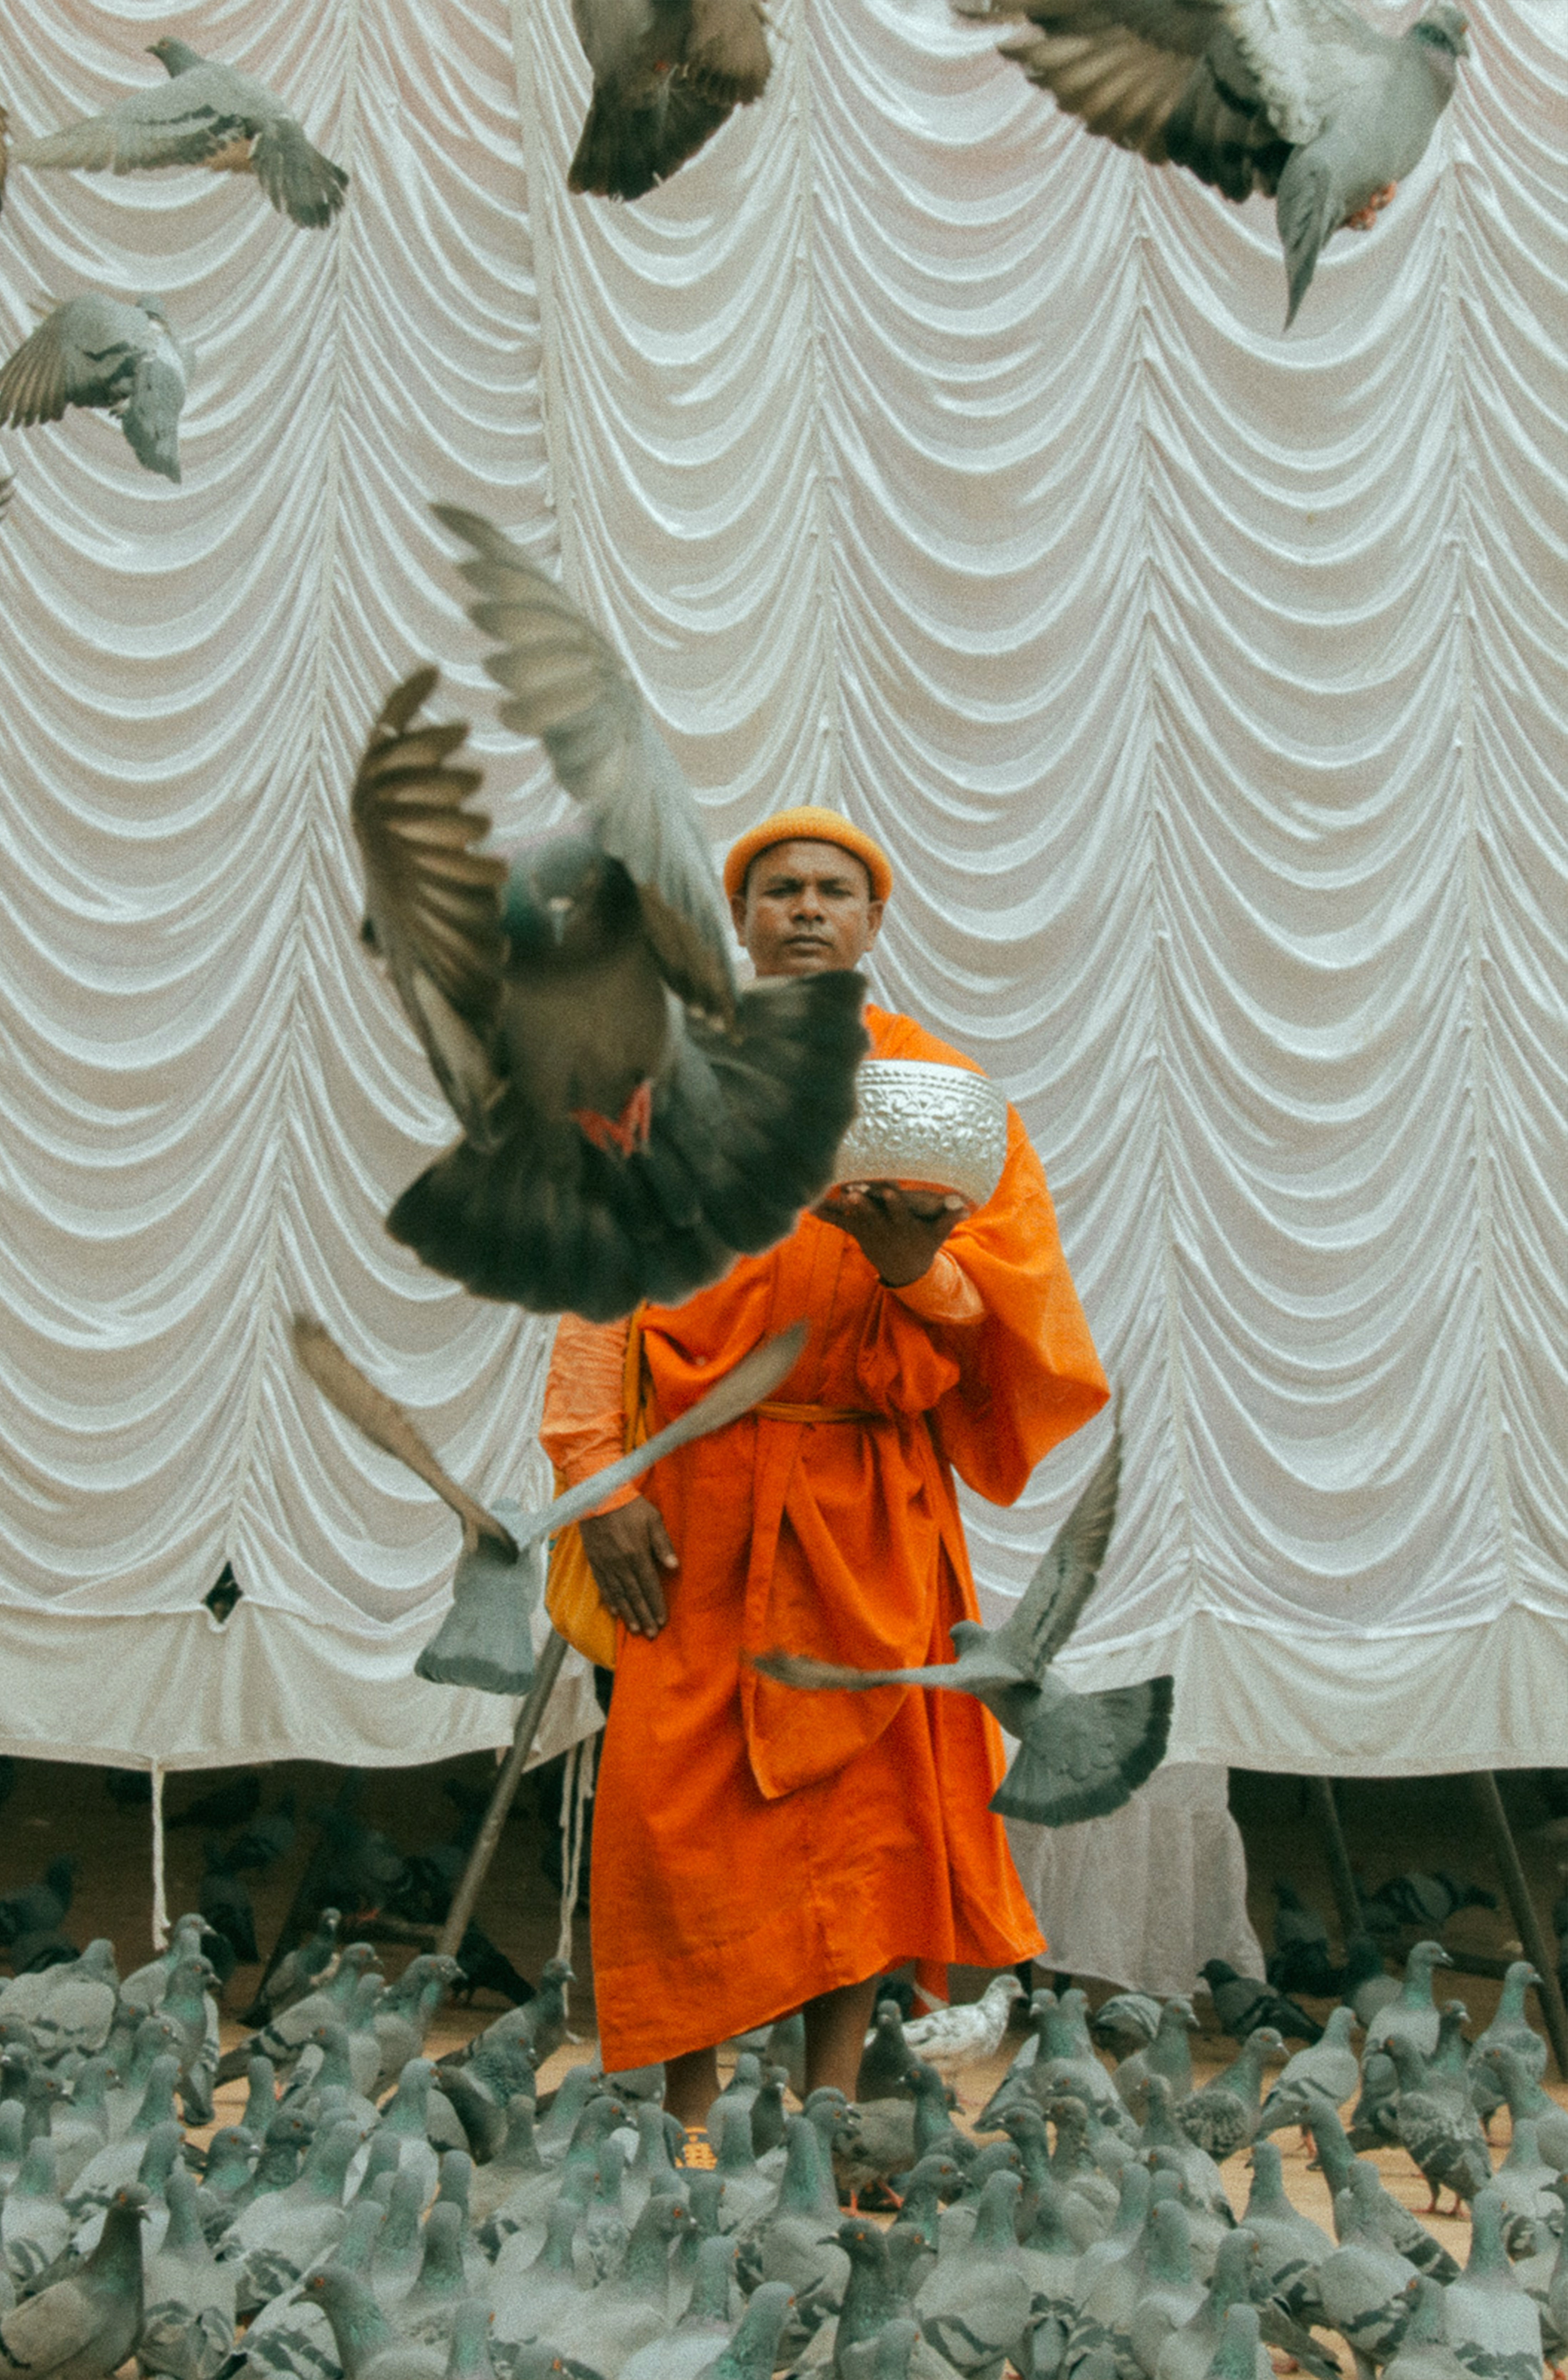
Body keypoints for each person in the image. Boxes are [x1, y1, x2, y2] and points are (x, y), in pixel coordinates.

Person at [539, 805, 1108, 2127]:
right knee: (678, 1818)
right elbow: (593, 1304)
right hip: (695, 1507)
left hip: (870, 1506)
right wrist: (601, 1486)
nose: (804, 908)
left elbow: (1003, 1313)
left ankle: (830, 2110)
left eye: (832, 891)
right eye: (778, 889)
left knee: (864, 1810)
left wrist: (911, 1262)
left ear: (872, 922)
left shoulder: (944, 1097)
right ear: (739, 923)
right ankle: (684, 2115)